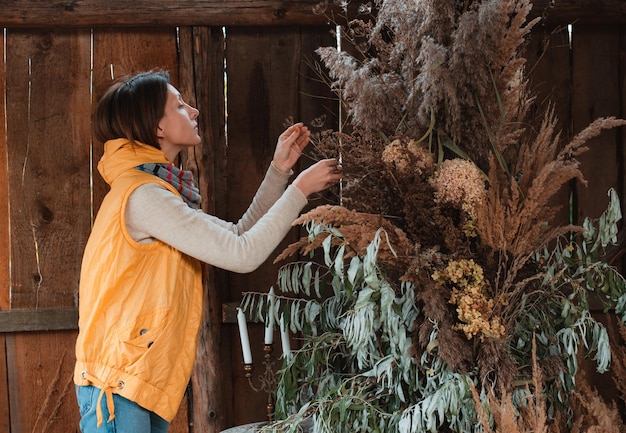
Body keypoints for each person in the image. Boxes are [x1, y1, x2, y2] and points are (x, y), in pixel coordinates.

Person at [73, 70, 342, 433]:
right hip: (118, 385)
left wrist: (279, 172)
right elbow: (243, 254)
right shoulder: (143, 195)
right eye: (179, 105)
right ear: (158, 128)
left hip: (132, 381)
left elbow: (236, 235)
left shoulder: (153, 189)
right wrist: (300, 190)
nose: (194, 111)